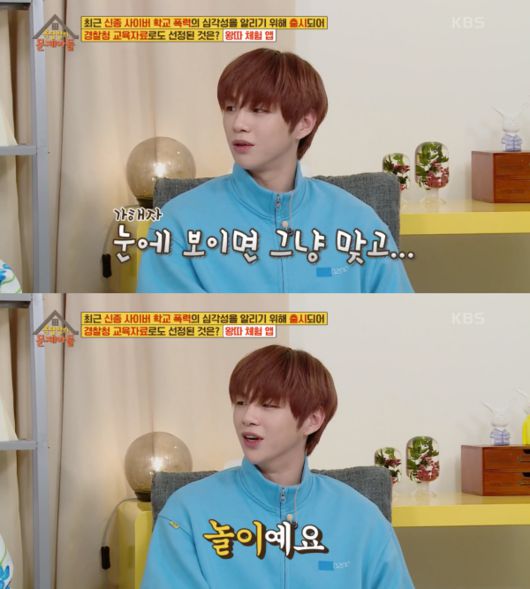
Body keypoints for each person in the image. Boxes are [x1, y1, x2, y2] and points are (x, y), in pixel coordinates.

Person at [137, 49, 412, 293]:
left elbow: (398, 321)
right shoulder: (177, 225)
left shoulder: (360, 223)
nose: (238, 123)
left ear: (304, 123)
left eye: (259, 110)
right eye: (230, 108)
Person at [141, 345, 414, 588]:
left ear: (312, 420)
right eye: (240, 402)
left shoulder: (362, 519)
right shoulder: (186, 512)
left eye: (268, 405)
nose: (247, 417)